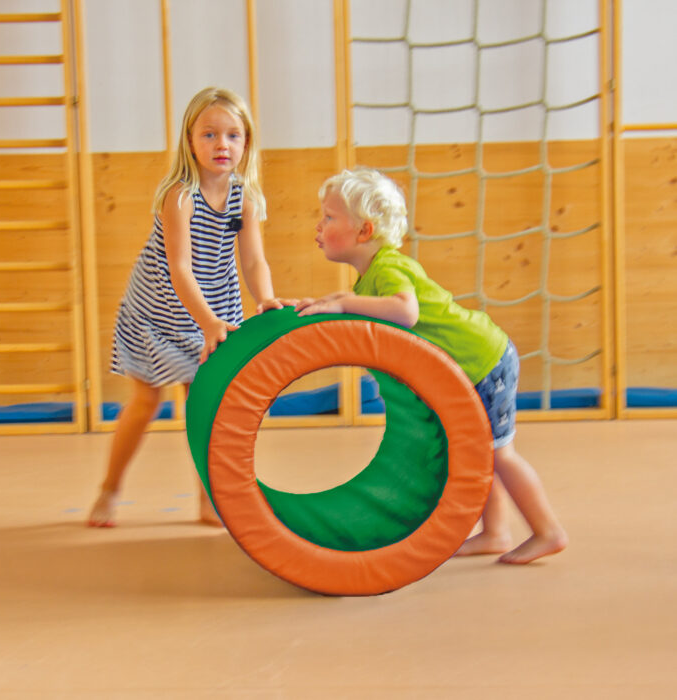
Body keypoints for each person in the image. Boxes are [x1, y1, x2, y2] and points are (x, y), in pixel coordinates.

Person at [293, 168, 568, 564]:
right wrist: (337, 301)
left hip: (483, 363)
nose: (318, 225)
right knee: (479, 450)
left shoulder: (388, 268)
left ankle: (548, 531)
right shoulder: (370, 278)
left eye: (329, 217)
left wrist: (343, 304)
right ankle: (495, 532)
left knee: (498, 454)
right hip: (471, 367)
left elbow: (405, 312)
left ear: (364, 231)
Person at [88, 87, 282, 528]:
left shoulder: (245, 198)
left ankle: (207, 499)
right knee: (146, 401)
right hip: (158, 309)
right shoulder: (181, 195)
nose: (222, 145)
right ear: (190, 141)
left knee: (207, 403)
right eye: (210, 134)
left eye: (233, 136)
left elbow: (253, 260)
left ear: (246, 143)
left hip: (214, 304)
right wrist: (209, 323)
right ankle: (109, 489)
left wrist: (265, 298)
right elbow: (179, 269)